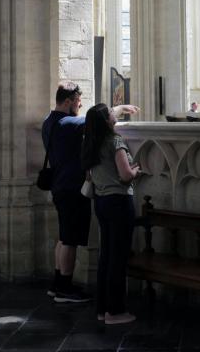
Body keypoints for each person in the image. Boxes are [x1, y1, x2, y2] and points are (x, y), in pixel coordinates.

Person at [42, 81, 138, 303]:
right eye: (77, 101)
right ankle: (65, 288)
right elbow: (97, 119)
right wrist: (121, 108)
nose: (80, 104)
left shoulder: (49, 122)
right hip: (71, 187)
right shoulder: (70, 123)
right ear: (67, 102)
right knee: (70, 239)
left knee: (64, 236)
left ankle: (57, 284)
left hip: (58, 185)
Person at [81, 103, 141, 324]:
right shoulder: (114, 141)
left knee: (106, 256)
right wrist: (137, 169)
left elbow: (89, 176)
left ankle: (102, 309)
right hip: (119, 202)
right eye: (110, 114)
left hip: (102, 202)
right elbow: (125, 175)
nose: (113, 116)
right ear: (107, 121)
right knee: (118, 258)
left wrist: (122, 107)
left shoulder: (90, 144)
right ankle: (115, 312)